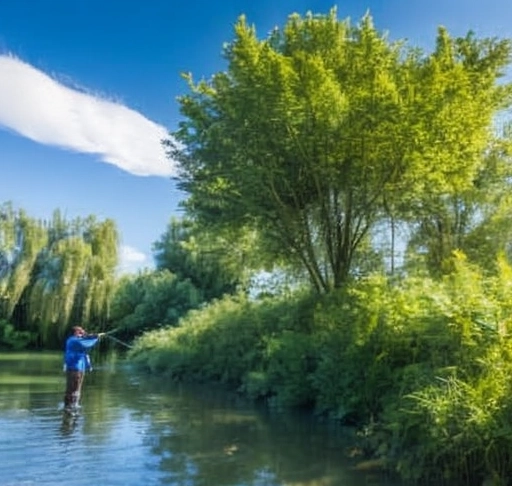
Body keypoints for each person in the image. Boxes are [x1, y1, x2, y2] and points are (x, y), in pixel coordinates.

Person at [63, 325, 104, 412]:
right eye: (80, 331)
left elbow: (85, 341)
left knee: (76, 388)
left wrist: (93, 336)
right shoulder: (74, 340)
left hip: (79, 368)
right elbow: (86, 344)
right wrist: (96, 337)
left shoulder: (75, 340)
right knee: (73, 389)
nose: (82, 332)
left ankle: (72, 407)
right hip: (75, 368)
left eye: (82, 331)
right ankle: (70, 407)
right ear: (75, 332)